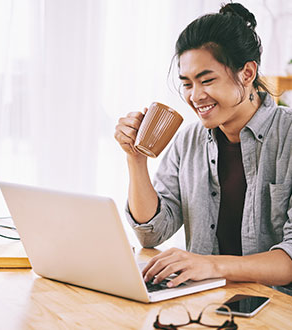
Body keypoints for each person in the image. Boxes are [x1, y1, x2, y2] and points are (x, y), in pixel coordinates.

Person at [114, 2, 292, 294]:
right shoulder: (189, 140)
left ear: (247, 73)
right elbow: (152, 231)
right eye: (187, 83)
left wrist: (211, 265)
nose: (195, 96)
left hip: (276, 308)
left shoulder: (288, 135)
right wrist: (135, 159)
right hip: (205, 300)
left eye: (207, 80)